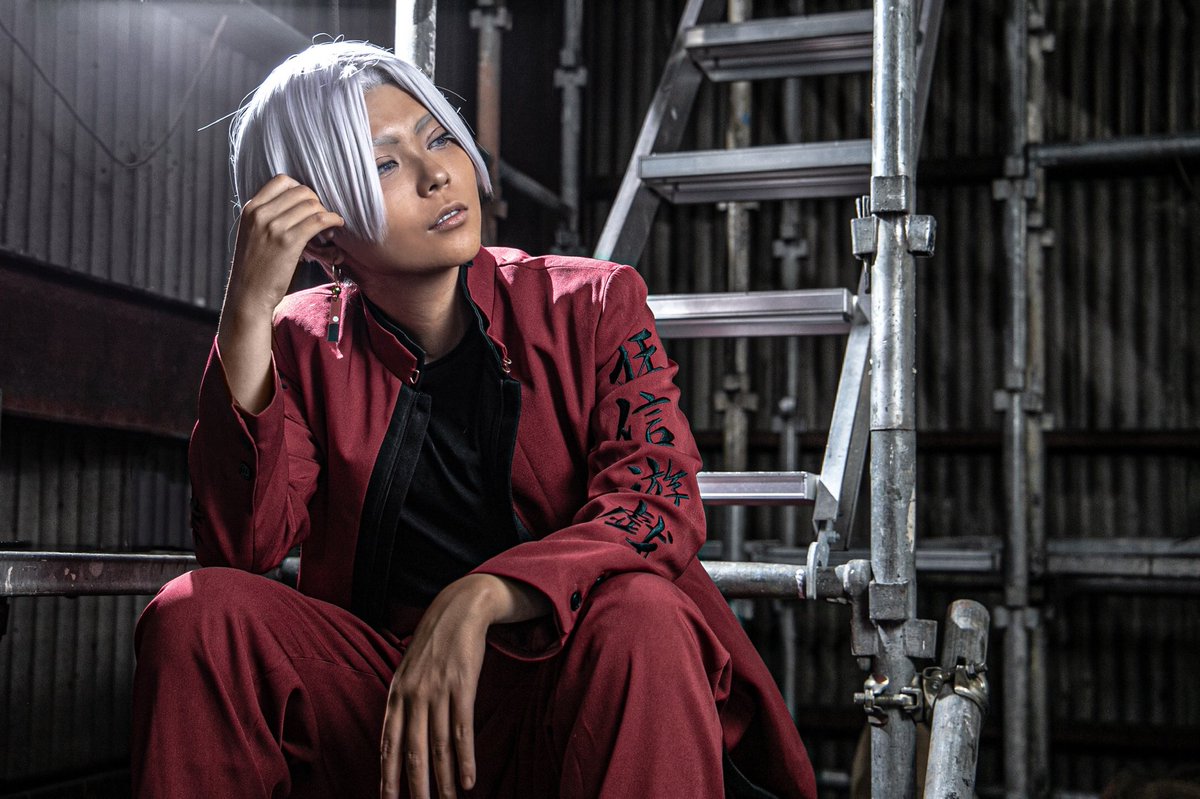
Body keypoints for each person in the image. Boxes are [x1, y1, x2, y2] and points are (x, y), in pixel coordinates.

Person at [131, 40, 816, 799]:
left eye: (437, 137)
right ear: (321, 232)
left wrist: (481, 595)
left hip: (572, 691)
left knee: (642, 611)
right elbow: (241, 548)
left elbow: (657, 506)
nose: (437, 174)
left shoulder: (591, 304)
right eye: (385, 163)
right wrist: (245, 315)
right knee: (197, 614)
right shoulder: (298, 340)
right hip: (393, 712)